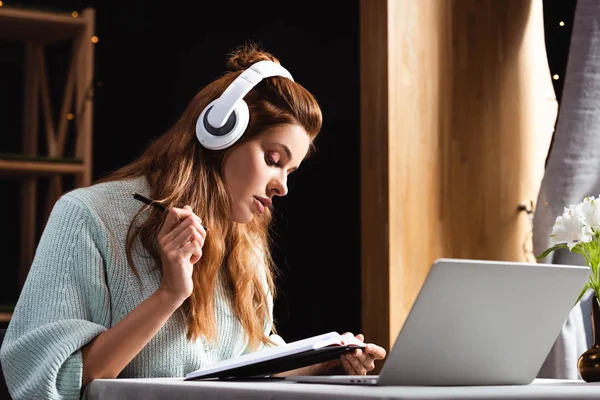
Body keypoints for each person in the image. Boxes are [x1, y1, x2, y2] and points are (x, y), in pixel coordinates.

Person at [0, 43, 386, 399]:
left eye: (291, 171)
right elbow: (49, 382)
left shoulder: (244, 239)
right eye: (273, 159)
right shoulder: (87, 216)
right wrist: (169, 293)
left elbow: (248, 372)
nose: (282, 187)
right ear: (221, 132)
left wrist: (327, 362)